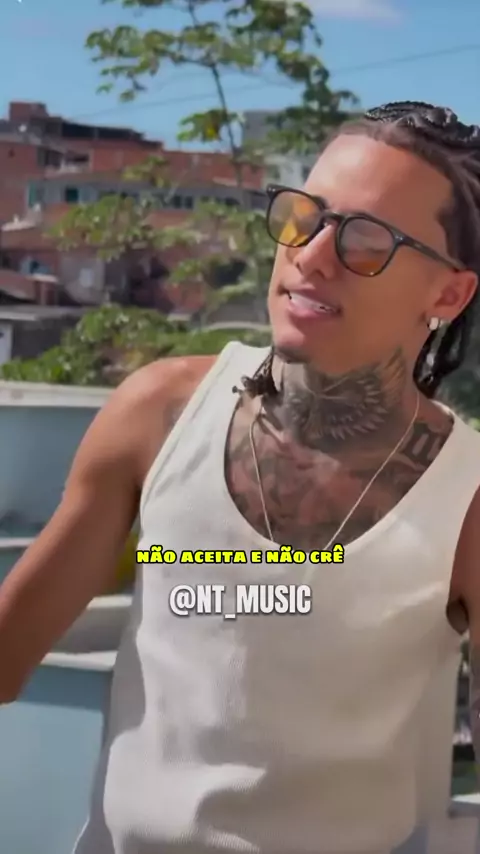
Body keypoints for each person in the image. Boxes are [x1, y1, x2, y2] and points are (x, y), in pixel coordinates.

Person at [1, 100, 480, 854]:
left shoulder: (466, 497)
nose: (311, 255)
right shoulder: (160, 414)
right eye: (305, 216)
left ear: (448, 294)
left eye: (365, 239)